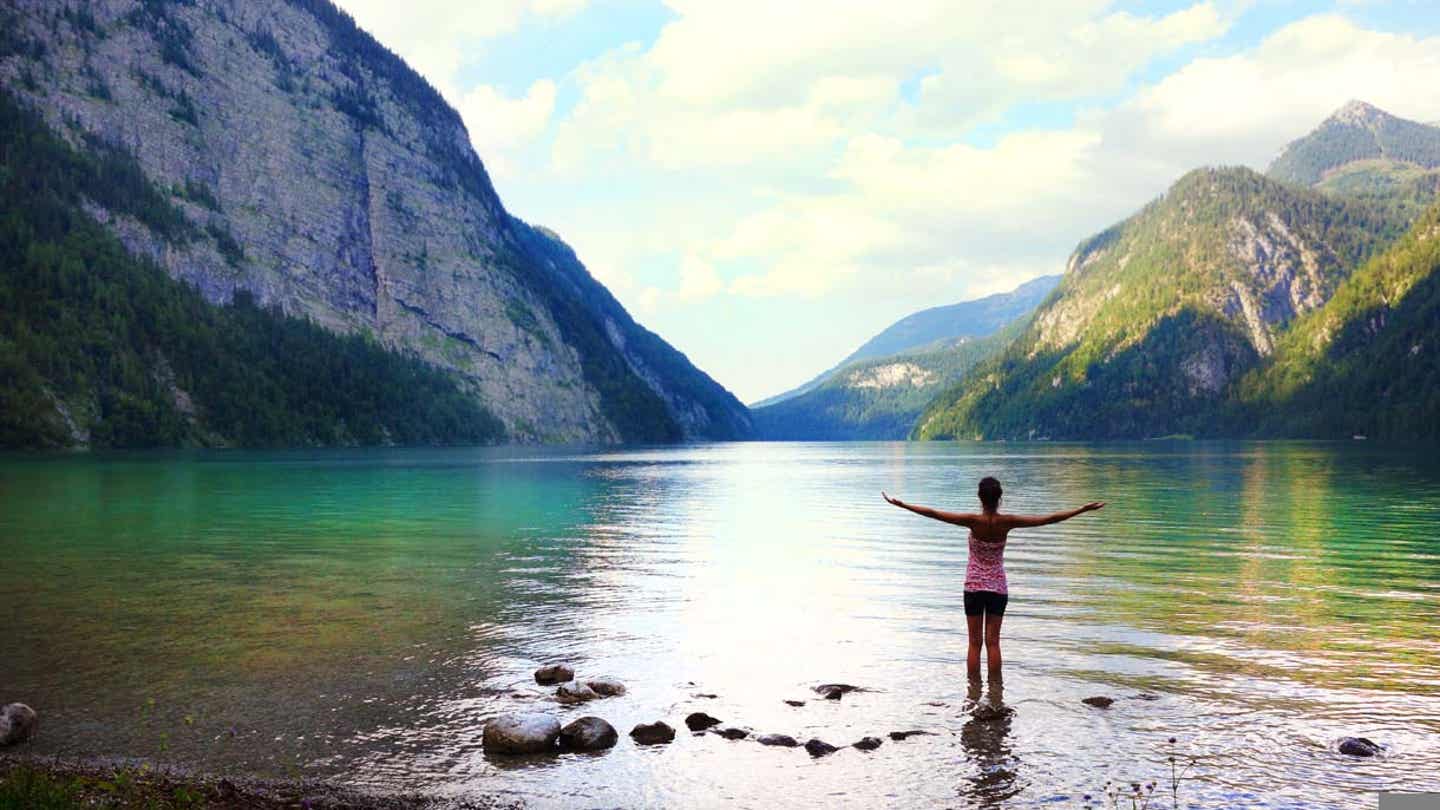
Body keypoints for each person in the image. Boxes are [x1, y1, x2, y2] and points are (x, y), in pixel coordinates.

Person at [882, 478, 1104, 680]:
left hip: (973, 588)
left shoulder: (971, 521)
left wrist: (903, 505)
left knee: (974, 643)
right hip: (998, 588)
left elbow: (934, 513)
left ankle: (973, 693)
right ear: (1000, 498)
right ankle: (996, 693)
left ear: (980, 497)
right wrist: (1081, 509)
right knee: (994, 643)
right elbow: (1048, 519)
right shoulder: (1007, 522)